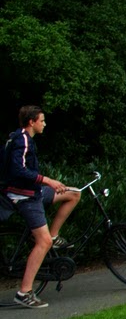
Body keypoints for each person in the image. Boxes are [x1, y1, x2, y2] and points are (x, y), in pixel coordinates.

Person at [3, 106, 81, 308]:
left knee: (74, 193)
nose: (44, 124)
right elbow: (18, 170)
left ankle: (54, 236)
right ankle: (24, 292)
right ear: (32, 122)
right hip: (25, 197)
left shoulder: (21, 138)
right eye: (42, 120)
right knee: (42, 242)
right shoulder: (22, 140)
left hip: (34, 191)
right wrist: (47, 180)